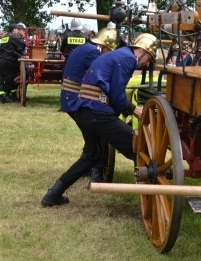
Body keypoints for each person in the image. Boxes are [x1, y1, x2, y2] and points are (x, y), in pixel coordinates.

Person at [41, 33, 159, 206]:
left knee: (91, 156)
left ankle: (53, 195)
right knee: (139, 145)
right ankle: (152, 195)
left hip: (84, 111)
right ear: (141, 51)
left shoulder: (118, 54)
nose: (147, 63)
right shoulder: (128, 59)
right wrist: (135, 110)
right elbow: (118, 96)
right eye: (149, 58)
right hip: (97, 113)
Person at [60, 27, 119, 183]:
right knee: (99, 132)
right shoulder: (93, 52)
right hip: (76, 99)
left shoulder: (87, 48)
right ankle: (96, 173)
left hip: (70, 96)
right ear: (105, 46)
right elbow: (102, 76)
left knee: (92, 139)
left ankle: (89, 167)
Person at [0, 23, 27, 103]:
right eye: (17, 29)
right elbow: (23, 44)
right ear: (14, 29)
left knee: (0, 78)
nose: (17, 31)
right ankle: (8, 95)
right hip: (8, 60)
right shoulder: (12, 36)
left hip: (0, 60)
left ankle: (0, 97)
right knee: (10, 78)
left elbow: (10, 49)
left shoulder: (5, 37)